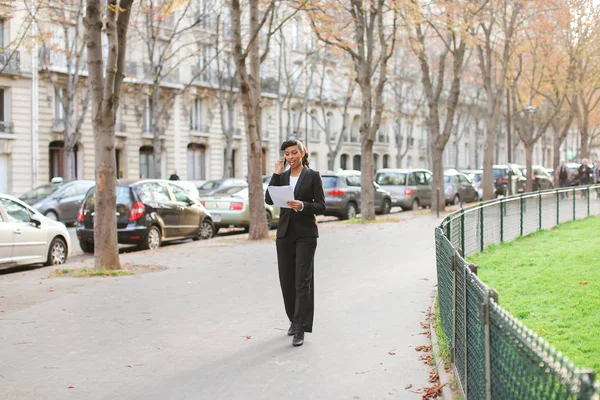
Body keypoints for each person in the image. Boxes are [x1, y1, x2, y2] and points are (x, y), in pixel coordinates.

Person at [265, 139, 325, 347]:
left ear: (302, 153)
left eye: (293, 153)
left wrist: (302, 205)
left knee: (302, 281)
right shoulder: (281, 177)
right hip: (284, 234)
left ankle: (301, 328)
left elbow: (321, 205)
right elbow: (269, 199)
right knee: (287, 280)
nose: (290, 157)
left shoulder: (312, 176)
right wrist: (275, 172)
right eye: (287, 154)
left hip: (306, 234)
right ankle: (293, 319)